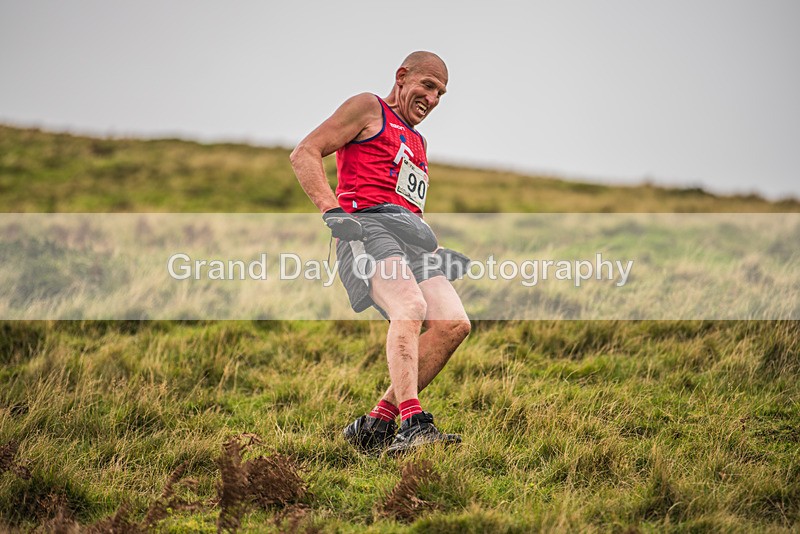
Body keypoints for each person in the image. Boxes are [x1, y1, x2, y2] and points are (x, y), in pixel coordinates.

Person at [289, 51, 471, 454]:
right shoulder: (369, 108)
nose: (434, 98)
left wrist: (438, 251)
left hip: (409, 237)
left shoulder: (419, 141)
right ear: (402, 76)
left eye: (441, 93)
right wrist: (331, 210)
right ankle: (413, 423)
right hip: (366, 229)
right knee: (410, 307)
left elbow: (406, 205)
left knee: (454, 324)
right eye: (427, 85)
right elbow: (304, 151)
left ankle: (376, 424)